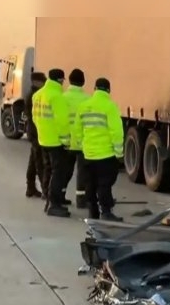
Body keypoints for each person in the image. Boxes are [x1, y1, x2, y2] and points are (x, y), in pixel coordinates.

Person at [73, 77, 124, 221]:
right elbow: (117, 132)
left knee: (90, 184)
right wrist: (119, 152)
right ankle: (106, 212)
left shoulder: (83, 106)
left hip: (88, 154)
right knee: (104, 184)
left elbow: (77, 130)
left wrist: (83, 145)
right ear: (108, 90)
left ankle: (92, 212)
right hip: (105, 155)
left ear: (95, 89)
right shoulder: (110, 106)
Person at [32, 68, 72, 218]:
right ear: (60, 80)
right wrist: (66, 141)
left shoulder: (38, 95)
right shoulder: (57, 97)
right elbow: (62, 122)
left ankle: (48, 200)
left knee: (48, 169)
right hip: (56, 142)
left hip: (43, 139)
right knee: (58, 173)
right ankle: (54, 204)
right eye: (63, 80)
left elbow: (35, 118)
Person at [62, 68, 90, 209]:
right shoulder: (87, 99)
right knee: (82, 172)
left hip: (66, 141)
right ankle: (81, 200)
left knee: (64, 171)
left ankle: (61, 196)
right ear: (83, 82)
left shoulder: (63, 97)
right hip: (82, 142)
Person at [24, 71, 47, 198]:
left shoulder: (33, 94)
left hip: (34, 131)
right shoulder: (34, 96)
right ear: (36, 82)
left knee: (33, 161)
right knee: (39, 162)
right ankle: (44, 190)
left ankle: (30, 188)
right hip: (35, 131)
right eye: (42, 81)